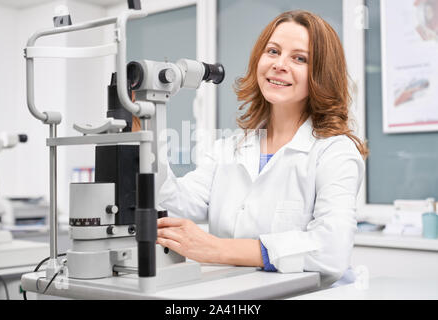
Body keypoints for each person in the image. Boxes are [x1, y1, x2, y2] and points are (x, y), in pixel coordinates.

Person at [156, 10, 368, 288]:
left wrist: (217, 249)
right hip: (237, 292)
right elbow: (173, 203)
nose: (280, 64)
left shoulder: (335, 152)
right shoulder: (229, 149)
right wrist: (145, 129)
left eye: (299, 58)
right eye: (273, 51)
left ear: (321, 74)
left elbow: (330, 250)